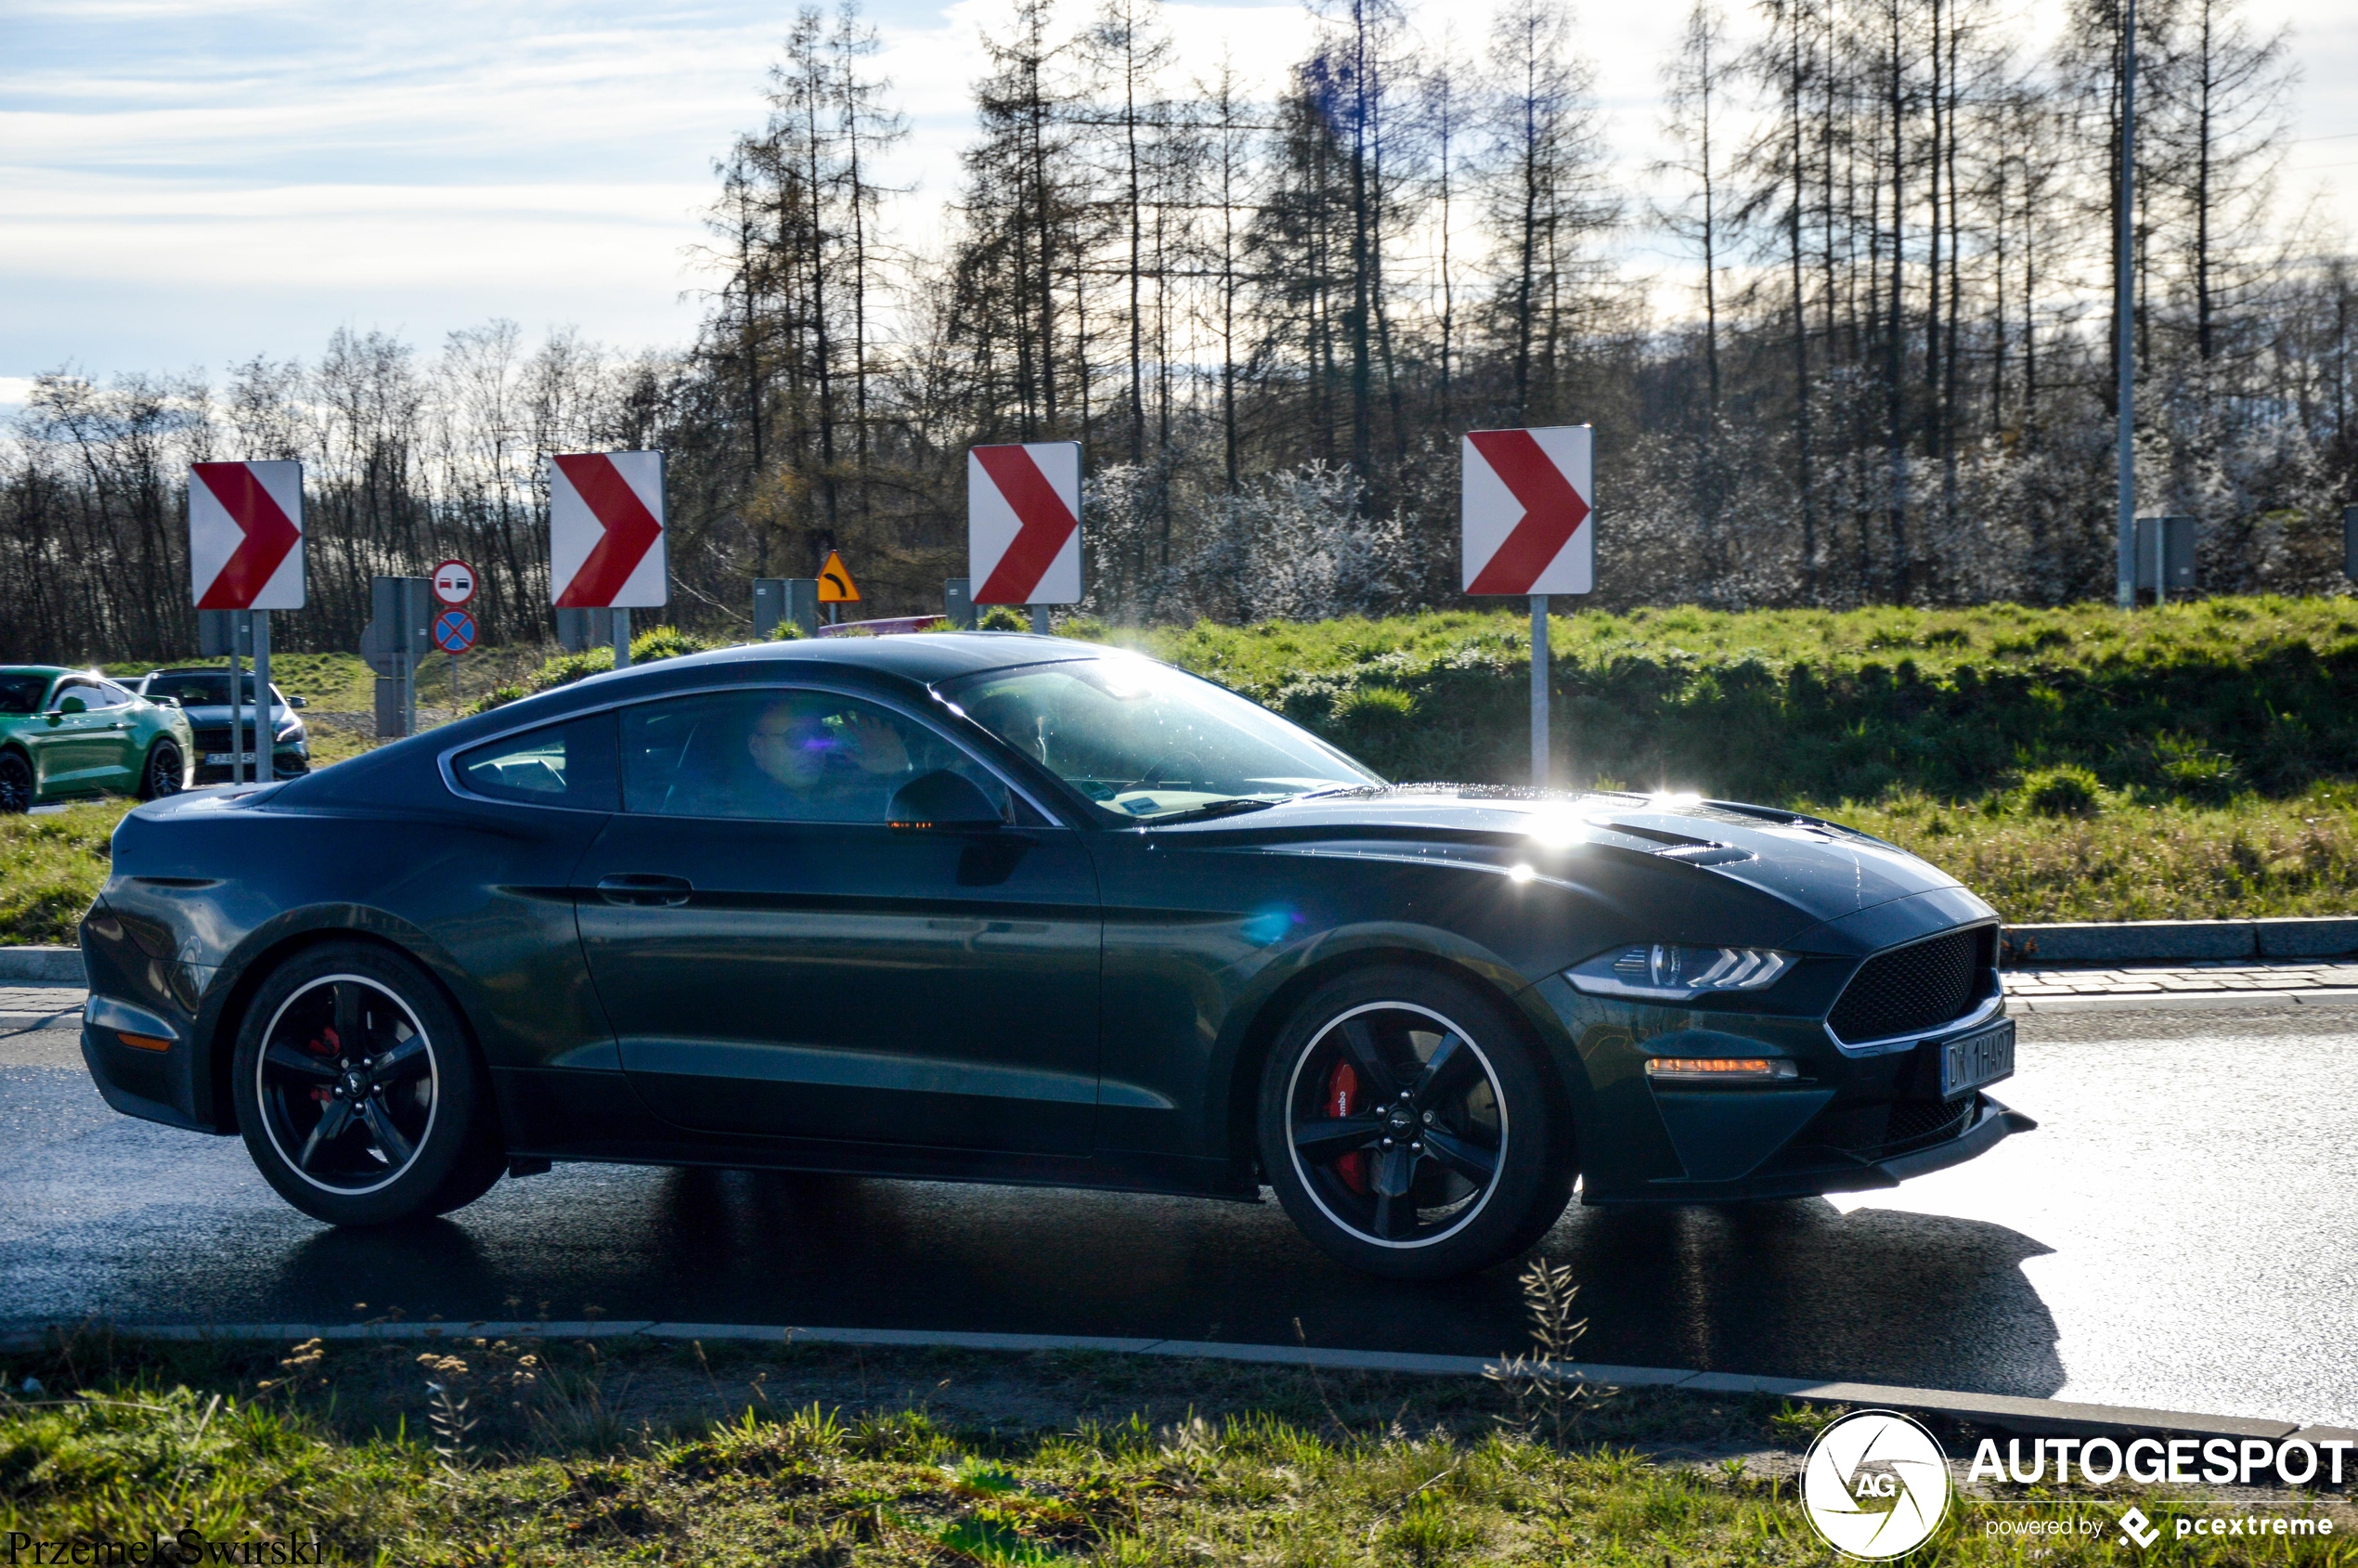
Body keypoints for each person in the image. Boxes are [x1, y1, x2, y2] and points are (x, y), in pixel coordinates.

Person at [745, 695, 911, 820]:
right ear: (756, 746)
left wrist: (891, 773)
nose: (814, 748)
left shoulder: (843, 785)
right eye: (796, 737)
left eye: (820, 735)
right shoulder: (749, 814)